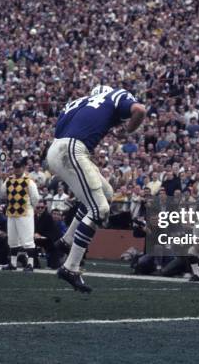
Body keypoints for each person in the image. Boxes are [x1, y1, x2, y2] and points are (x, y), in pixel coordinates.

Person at [46, 85, 146, 292]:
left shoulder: (77, 103)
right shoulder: (115, 95)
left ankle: (66, 240)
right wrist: (128, 129)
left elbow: (64, 130)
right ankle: (70, 268)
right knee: (100, 209)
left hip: (57, 150)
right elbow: (140, 110)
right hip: (73, 150)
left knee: (105, 193)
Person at [0, 159, 40, 272]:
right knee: (12, 239)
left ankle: (30, 264)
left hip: (25, 212)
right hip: (11, 212)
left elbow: (35, 198)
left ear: (23, 168)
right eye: (15, 167)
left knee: (27, 239)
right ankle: (13, 263)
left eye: (19, 167)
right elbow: (2, 194)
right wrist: (1, 180)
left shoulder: (29, 181)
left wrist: (30, 207)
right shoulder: (9, 180)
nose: (17, 170)